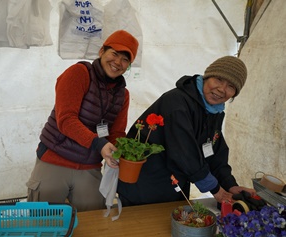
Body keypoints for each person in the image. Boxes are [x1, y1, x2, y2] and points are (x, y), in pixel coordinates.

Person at [117, 56, 256, 207]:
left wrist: (229, 185)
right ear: (206, 77)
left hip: (174, 187)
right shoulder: (177, 102)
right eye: (218, 79)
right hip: (146, 188)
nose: (222, 89)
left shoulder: (214, 112)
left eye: (231, 86)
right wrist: (216, 189)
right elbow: (184, 152)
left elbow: (215, 152)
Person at [26, 30, 139, 211]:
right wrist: (98, 143)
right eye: (115, 54)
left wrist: (121, 153)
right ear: (102, 51)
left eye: (125, 59)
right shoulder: (79, 73)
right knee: (44, 221)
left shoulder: (123, 95)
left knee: (93, 221)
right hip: (55, 158)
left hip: (89, 165)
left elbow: (116, 132)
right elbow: (66, 120)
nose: (118, 62)